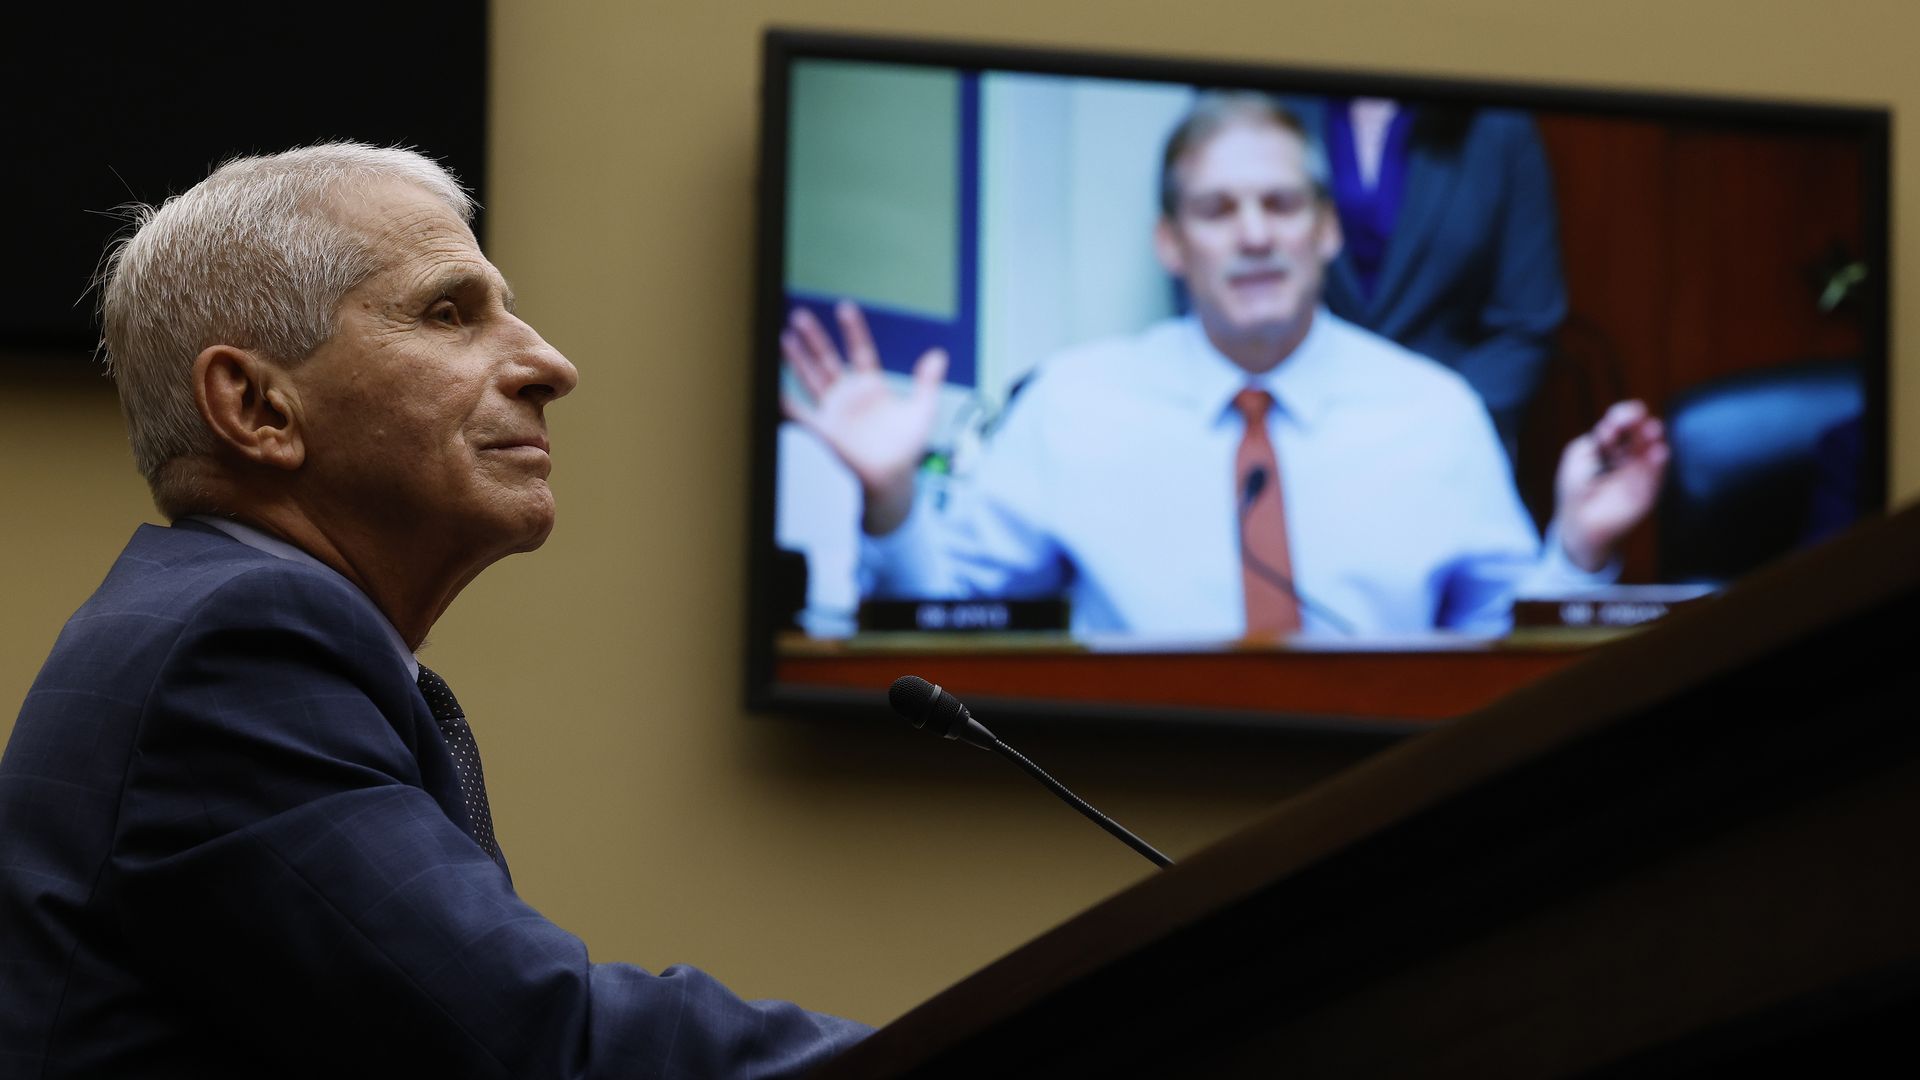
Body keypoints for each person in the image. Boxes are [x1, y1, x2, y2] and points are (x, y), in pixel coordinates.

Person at [0, 144, 867, 1078]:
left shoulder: (217, 623)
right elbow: (533, 1040)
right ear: (257, 407)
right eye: (448, 313)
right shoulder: (236, 651)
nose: (550, 364)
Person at [781, 94, 1666, 639]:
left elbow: (1505, 653)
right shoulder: (1071, 403)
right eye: (1217, 209)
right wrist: (890, 497)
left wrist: (1581, 551)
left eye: (1281, 204)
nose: (1253, 234)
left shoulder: (1438, 414)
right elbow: (948, 619)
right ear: (1171, 242)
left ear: (1324, 231)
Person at [1316, 97, 1566, 457]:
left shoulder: (1497, 124)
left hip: (1451, 435)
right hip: (1296, 429)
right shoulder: (1273, 102)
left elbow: (1526, 323)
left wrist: (1441, 424)